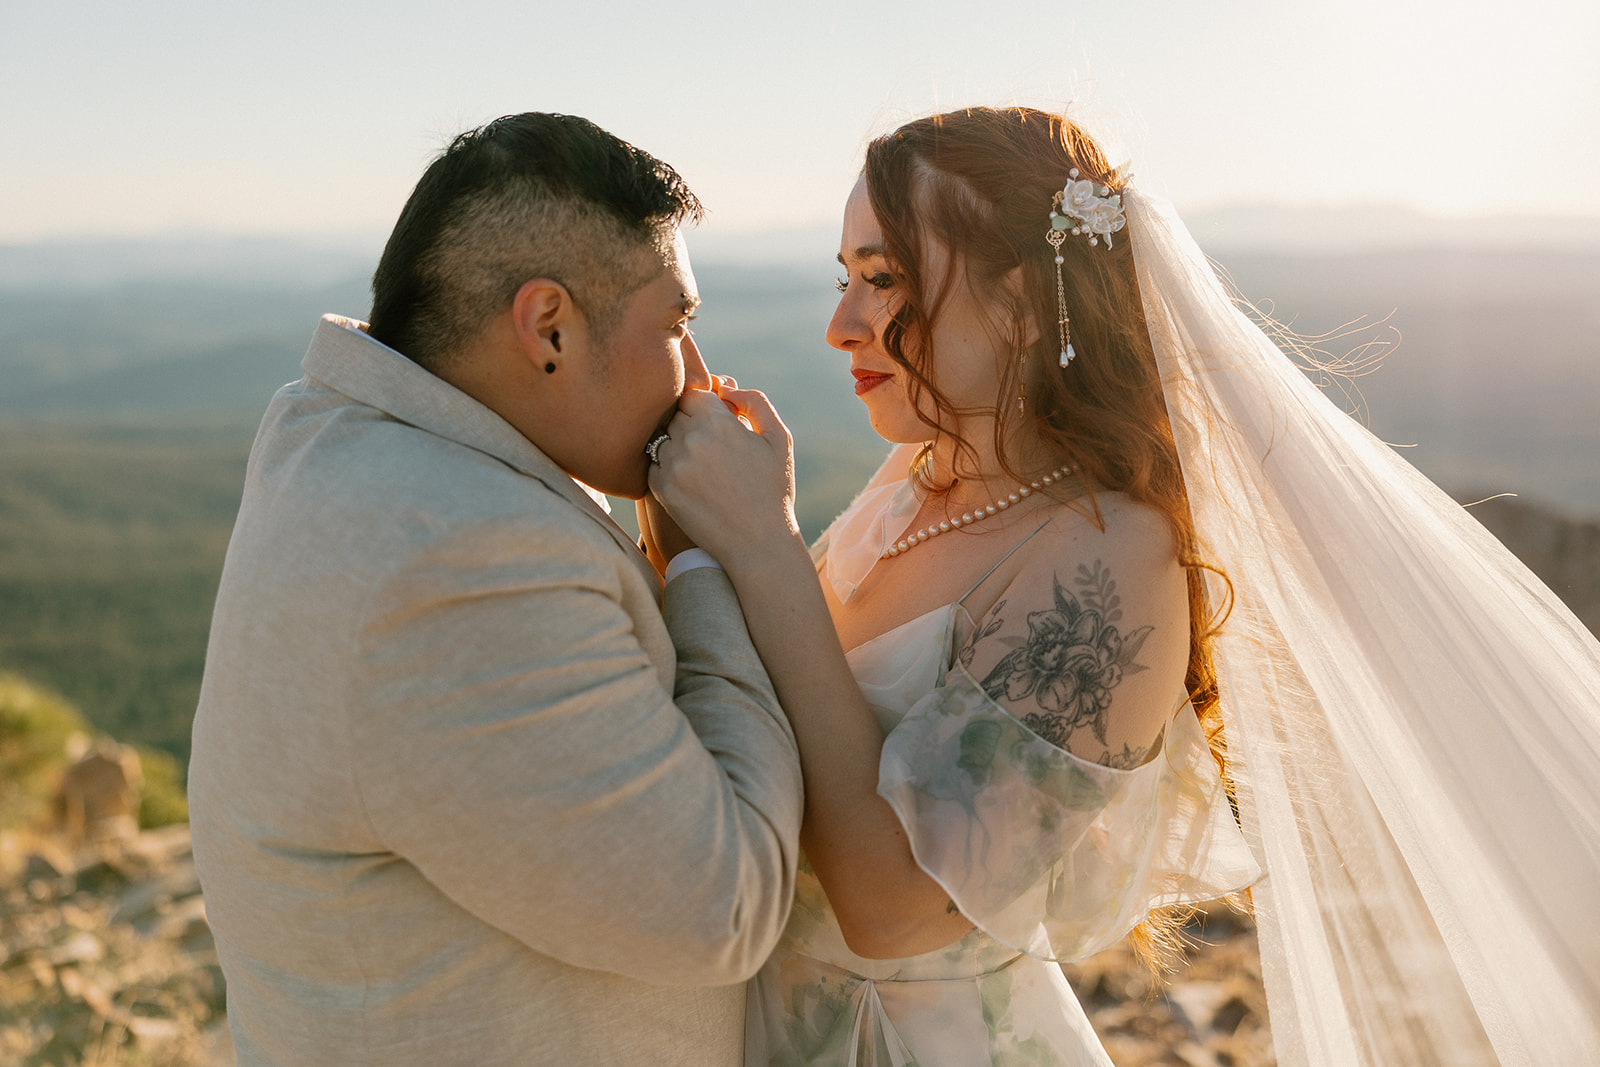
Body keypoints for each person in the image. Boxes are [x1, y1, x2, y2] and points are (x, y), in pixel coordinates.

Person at [646, 107, 1600, 1065]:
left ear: (1023, 304)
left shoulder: (1114, 557)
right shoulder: (921, 472)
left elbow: (895, 906)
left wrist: (767, 545)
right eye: (843, 278)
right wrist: (694, 536)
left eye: (883, 279)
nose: (839, 322)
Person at [187, 112, 803, 1066]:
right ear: (548, 327)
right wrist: (708, 562)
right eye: (676, 321)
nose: (697, 372)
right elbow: (725, 904)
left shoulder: (332, 435)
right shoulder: (464, 558)